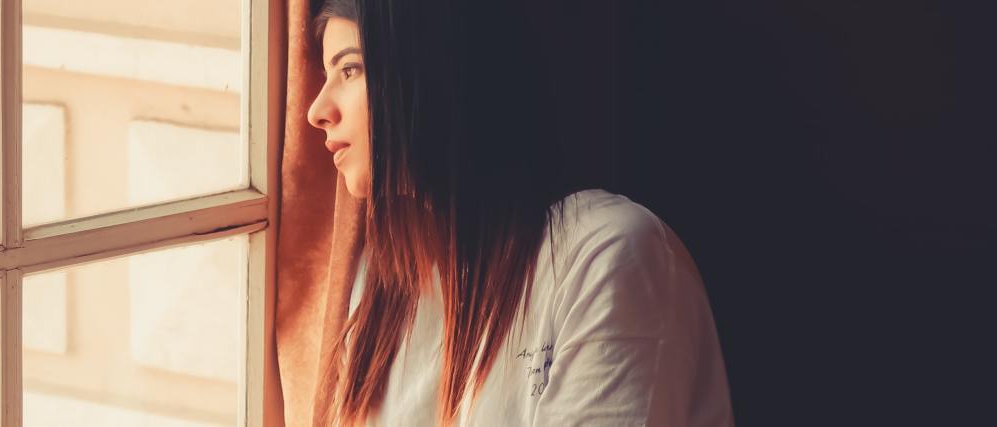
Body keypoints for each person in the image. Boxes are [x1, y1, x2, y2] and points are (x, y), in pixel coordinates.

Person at [305, 1, 734, 425]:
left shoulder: (606, 257)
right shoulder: (381, 291)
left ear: (434, 69)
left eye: (350, 69)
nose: (316, 112)